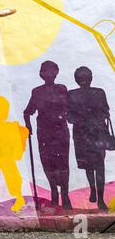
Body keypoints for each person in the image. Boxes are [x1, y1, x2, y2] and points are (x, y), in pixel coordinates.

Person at [24, 61, 72, 210]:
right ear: (41, 74)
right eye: (45, 71)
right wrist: (29, 127)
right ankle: (54, 193)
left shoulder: (62, 89)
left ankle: (64, 194)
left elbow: (70, 108)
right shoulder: (36, 91)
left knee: (63, 163)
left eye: (52, 71)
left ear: (56, 72)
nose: (49, 74)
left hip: (60, 131)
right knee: (48, 163)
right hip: (44, 132)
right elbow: (27, 112)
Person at [67, 66, 110, 211]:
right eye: (82, 78)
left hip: (93, 134)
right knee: (92, 166)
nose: (84, 81)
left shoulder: (98, 93)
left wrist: (87, 121)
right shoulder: (74, 95)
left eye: (86, 78)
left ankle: (101, 198)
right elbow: (69, 117)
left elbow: (106, 113)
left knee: (97, 166)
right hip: (86, 134)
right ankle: (95, 192)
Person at [0, 95, 29, 215]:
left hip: (5, 158)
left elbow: (21, 131)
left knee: (12, 180)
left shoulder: (3, 125)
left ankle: (19, 199)